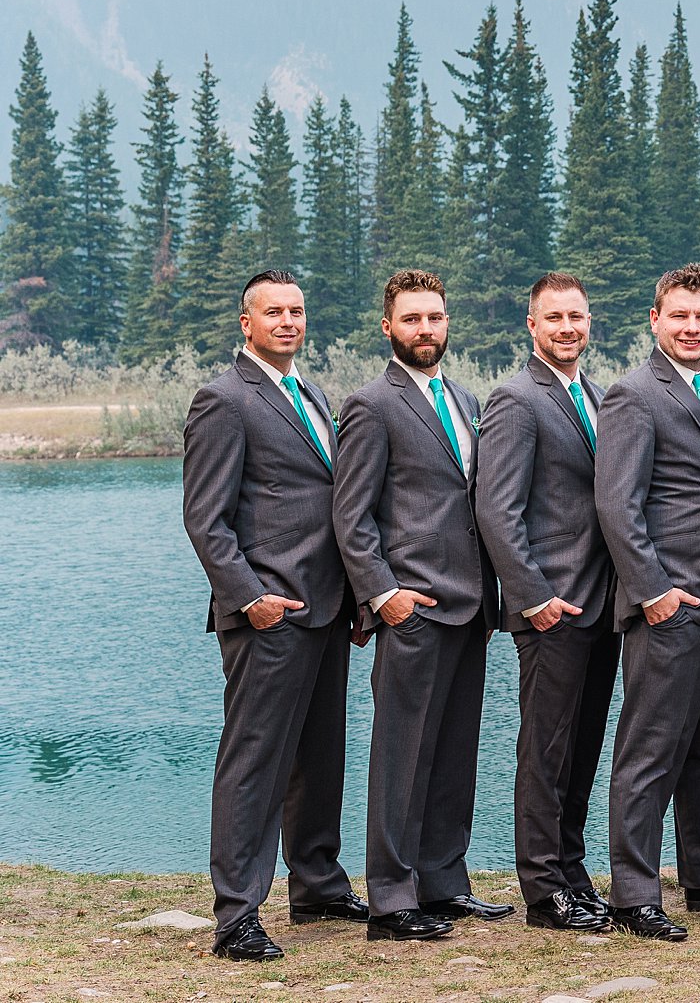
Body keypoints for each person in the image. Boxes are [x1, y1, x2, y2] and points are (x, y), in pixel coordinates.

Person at [183, 270, 363, 961]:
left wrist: (351, 595)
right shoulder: (223, 399)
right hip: (269, 612)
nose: (288, 322)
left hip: (324, 609)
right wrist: (249, 597)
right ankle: (236, 917)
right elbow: (206, 517)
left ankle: (316, 883)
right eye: (274, 312)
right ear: (245, 322)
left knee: (319, 759)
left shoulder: (311, 393)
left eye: (297, 311)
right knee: (254, 763)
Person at [332, 270, 510, 940]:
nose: (426, 330)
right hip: (413, 608)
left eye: (435, 318)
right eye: (412, 320)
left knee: (454, 752)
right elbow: (351, 519)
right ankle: (391, 898)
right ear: (388, 327)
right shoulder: (371, 405)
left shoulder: (465, 401)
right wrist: (383, 595)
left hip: (470, 609)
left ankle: (443, 882)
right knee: (402, 756)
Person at [599, 265, 700, 942]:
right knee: (650, 754)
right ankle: (634, 894)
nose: (692, 328)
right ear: (656, 319)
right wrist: (654, 592)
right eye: (680, 317)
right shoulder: (634, 394)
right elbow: (617, 504)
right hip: (672, 603)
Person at [475, 273, 617, 933]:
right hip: (552, 609)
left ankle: (572, 868)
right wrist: (533, 599)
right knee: (544, 752)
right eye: (553, 317)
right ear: (531, 325)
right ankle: (543, 890)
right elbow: (497, 511)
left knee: (583, 748)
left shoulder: (593, 394)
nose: (567, 327)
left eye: (577, 316)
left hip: (602, 606)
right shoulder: (515, 399)